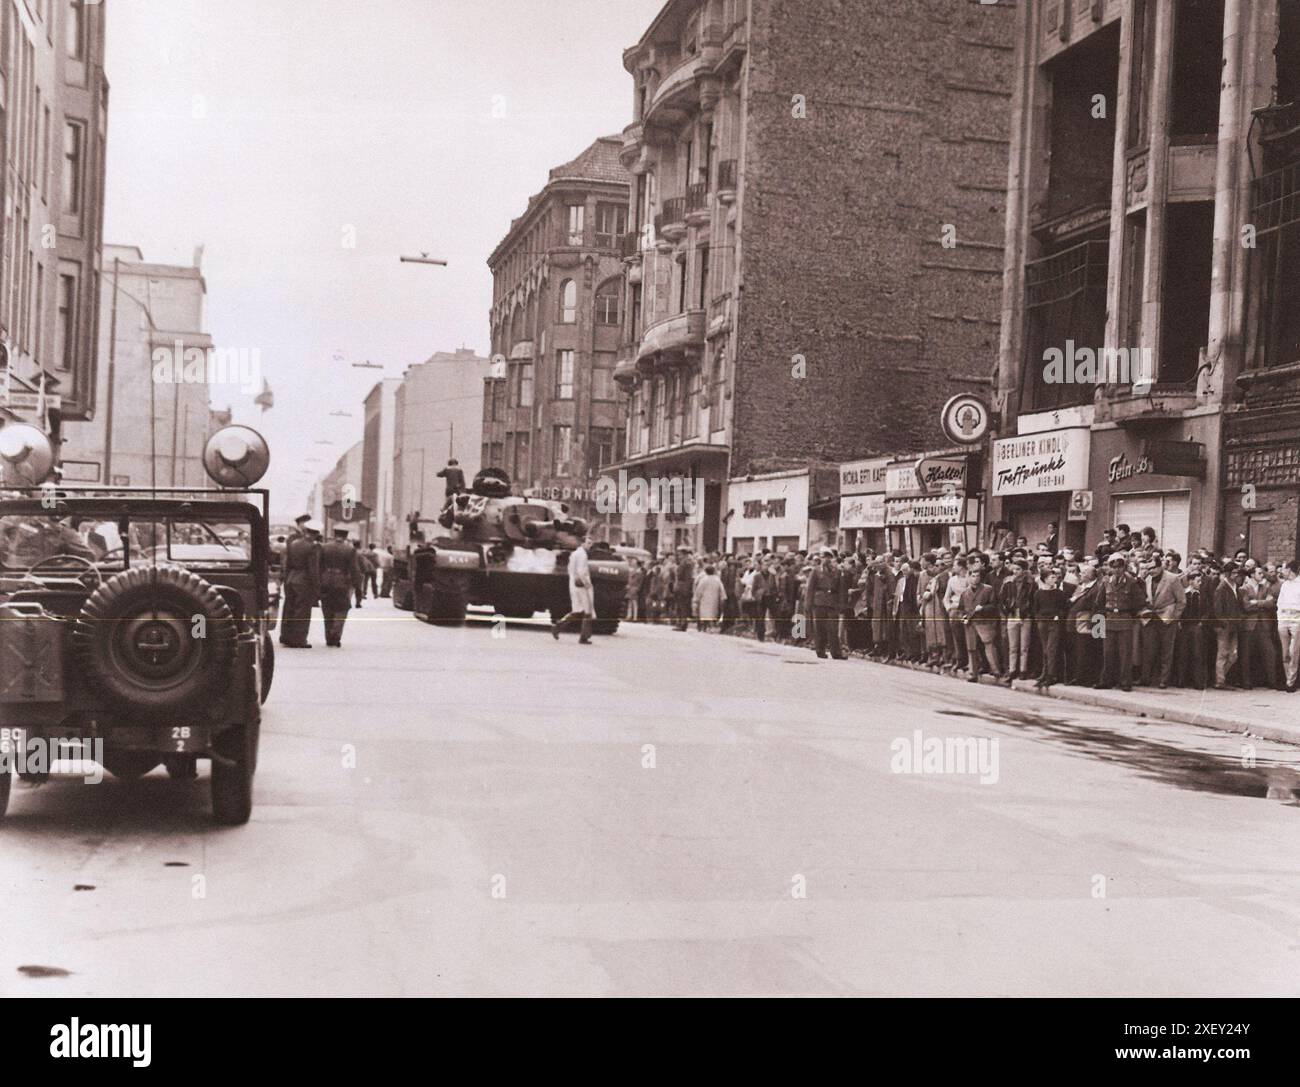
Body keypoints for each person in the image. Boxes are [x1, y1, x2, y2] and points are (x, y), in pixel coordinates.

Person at [1096, 553, 1142, 692]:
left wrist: (1130, 613)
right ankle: (1106, 680)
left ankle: (1125, 682)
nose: (1117, 569)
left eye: (1120, 566)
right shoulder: (1105, 581)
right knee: (1108, 652)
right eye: (1114, 567)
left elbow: (1139, 601)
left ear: (1124, 567)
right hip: (1109, 618)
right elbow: (1099, 601)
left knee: (1125, 653)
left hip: (1124, 618)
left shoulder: (1131, 582)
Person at [1140, 554, 1186, 688]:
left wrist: (1174, 617)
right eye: (1148, 569)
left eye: (1153, 568)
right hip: (1151, 618)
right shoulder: (1148, 579)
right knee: (1149, 649)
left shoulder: (1172, 579)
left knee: (1166, 651)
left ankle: (1163, 680)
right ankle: (1146, 678)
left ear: (1160, 566)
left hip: (1166, 619)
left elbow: (1181, 601)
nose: (1150, 571)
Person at [279, 520, 321, 648]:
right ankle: (299, 639)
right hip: (304, 581)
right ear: (316, 533)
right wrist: (316, 587)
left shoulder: (294, 543)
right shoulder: (312, 547)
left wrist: (286, 579)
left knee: (289, 608)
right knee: (302, 610)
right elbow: (313, 569)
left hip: (291, 578)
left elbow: (288, 564)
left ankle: (285, 636)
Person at [959, 567, 1002, 682]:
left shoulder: (988, 590)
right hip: (970, 622)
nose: (975, 579)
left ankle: (996, 670)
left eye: (977, 576)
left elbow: (994, 606)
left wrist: (983, 608)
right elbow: (961, 609)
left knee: (989, 644)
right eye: (972, 576)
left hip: (984, 621)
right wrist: (963, 617)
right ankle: (973, 673)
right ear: (968, 577)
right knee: (971, 648)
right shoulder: (964, 593)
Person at [320, 528, 362, 647]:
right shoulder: (350, 550)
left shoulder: (324, 547)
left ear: (334, 535)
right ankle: (336, 635)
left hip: (326, 581)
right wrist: (357, 585)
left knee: (327, 609)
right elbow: (354, 569)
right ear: (345, 536)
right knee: (341, 609)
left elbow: (319, 565)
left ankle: (328, 636)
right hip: (341, 583)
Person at [804, 547, 847, 660]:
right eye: (823, 557)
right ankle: (820, 651)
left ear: (831, 558)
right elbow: (810, 589)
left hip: (833, 602)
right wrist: (808, 604)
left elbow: (842, 589)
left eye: (828, 557)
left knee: (833, 628)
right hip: (819, 602)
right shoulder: (816, 571)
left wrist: (842, 604)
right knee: (819, 628)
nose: (825, 560)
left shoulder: (837, 571)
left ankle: (836, 653)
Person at [552, 532, 594, 644]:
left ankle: (558, 626)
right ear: (583, 543)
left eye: (591, 543)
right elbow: (581, 572)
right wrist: (587, 584)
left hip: (574, 584)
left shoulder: (575, 554)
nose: (590, 545)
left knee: (577, 611)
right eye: (588, 543)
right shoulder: (582, 555)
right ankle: (584, 637)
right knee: (587, 611)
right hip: (581, 586)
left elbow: (571, 569)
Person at [1031, 567, 1070, 688]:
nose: (1055, 579)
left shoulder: (1060, 593)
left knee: (1051, 649)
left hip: (1054, 623)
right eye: (1051, 577)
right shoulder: (1039, 593)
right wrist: (1038, 619)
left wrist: (1058, 616)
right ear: (1045, 579)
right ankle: (1044, 673)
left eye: (1055, 577)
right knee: (1045, 649)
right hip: (1043, 623)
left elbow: (1064, 608)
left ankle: (1051, 675)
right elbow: (1035, 609)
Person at [1277, 560, 1300, 692]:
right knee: (1285, 651)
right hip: (1284, 618)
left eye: (1284, 569)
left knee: (1293, 651)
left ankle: (1291, 681)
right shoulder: (1285, 585)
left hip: (1296, 618)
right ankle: (1288, 679)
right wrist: (1280, 617)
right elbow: (1280, 603)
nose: (1282, 571)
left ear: (1290, 570)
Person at [693, 564, 726, 632]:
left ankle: (705, 626)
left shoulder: (703, 580)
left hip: (704, 599)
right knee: (712, 612)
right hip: (714, 599)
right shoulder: (717, 580)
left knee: (704, 612)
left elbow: (699, 590)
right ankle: (710, 626)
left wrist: (696, 598)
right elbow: (721, 589)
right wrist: (723, 597)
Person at [672, 546, 695, 632]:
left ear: (684, 554)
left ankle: (682, 624)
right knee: (681, 606)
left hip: (683, 587)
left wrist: (686, 588)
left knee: (682, 606)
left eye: (680, 554)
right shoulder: (687, 562)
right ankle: (681, 623)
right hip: (683, 586)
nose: (679, 556)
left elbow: (682, 575)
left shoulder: (685, 563)